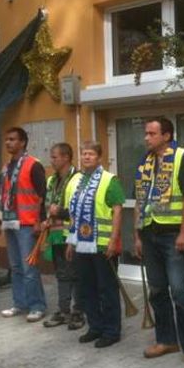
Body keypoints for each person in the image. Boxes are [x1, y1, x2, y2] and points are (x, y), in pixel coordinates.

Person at [134, 117, 184, 368]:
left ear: (166, 136)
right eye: (146, 133)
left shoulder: (182, 158)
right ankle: (166, 340)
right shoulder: (144, 161)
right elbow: (140, 199)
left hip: (172, 235)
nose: (146, 138)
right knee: (157, 290)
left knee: (179, 291)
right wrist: (137, 235)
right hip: (149, 234)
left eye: (152, 133)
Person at [65, 141, 125, 348]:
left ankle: (111, 331)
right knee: (87, 288)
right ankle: (95, 327)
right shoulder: (75, 181)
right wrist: (70, 242)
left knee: (107, 289)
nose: (86, 157)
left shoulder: (109, 180)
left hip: (102, 244)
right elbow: (73, 214)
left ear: (99, 157)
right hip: (81, 245)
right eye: (84, 154)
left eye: (91, 154)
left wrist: (113, 240)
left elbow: (117, 211)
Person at [0, 127, 48, 322]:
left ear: (23, 143)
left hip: (28, 223)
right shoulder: (6, 167)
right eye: (7, 139)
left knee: (29, 268)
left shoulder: (33, 165)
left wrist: (39, 221)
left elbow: (42, 195)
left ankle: (37, 306)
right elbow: (5, 194)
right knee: (16, 266)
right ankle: (19, 303)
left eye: (12, 139)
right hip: (10, 221)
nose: (8, 142)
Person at [41, 142, 84, 330]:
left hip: (73, 234)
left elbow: (81, 210)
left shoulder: (78, 179)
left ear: (66, 157)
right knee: (61, 274)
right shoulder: (51, 180)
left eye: (54, 157)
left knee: (75, 274)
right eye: (51, 157)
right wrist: (45, 220)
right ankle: (63, 310)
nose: (51, 160)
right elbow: (48, 204)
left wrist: (61, 212)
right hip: (56, 234)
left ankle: (78, 311)